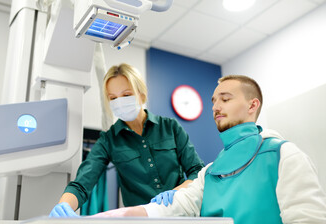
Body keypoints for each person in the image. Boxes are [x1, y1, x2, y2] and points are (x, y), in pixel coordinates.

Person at [92, 75, 326, 224]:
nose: (215, 107)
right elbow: (176, 208)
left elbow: (309, 219)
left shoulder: (283, 155)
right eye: (213, 101)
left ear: (252, 105)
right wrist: (113, 216)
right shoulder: (211, 172)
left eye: (225, 99)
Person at [49, 63, 204, 217]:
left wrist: (175, 193)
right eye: (113, 98)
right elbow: (82, 183)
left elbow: (197, 171)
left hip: (180, 214)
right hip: (141, 219)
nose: (120, 102)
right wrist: (64, 206)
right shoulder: (109, 140)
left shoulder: (170, 127)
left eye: (126, 95)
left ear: (141, 94)